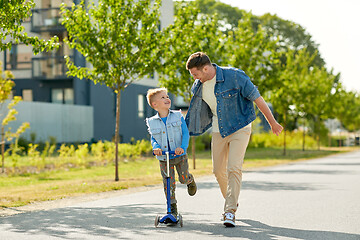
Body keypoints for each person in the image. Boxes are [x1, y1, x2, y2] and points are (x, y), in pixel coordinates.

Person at [185, 52, 283, 227]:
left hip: (240, 127)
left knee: (234, 168)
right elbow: (197, 109)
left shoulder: (235, 76)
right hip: (218, 130)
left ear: (205, 68)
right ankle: (232, 199)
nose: (194, 78)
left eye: (195, 74)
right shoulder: (198, 85)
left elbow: (257, 99)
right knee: (217, 171)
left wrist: (273, 123)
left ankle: (229, 211)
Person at [146, 87, 197, 218]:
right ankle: (172, 208)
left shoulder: (178, 115)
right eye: (163, 97)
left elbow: (185, 133)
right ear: (154, 104)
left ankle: (190, 181)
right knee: (168, 183)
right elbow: (153, 138)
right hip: (164, 158)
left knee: (183, 178)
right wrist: (156, 147)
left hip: (179, 155)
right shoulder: (152, 122)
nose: (167, 98)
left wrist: (182, 147)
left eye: (167, 96)